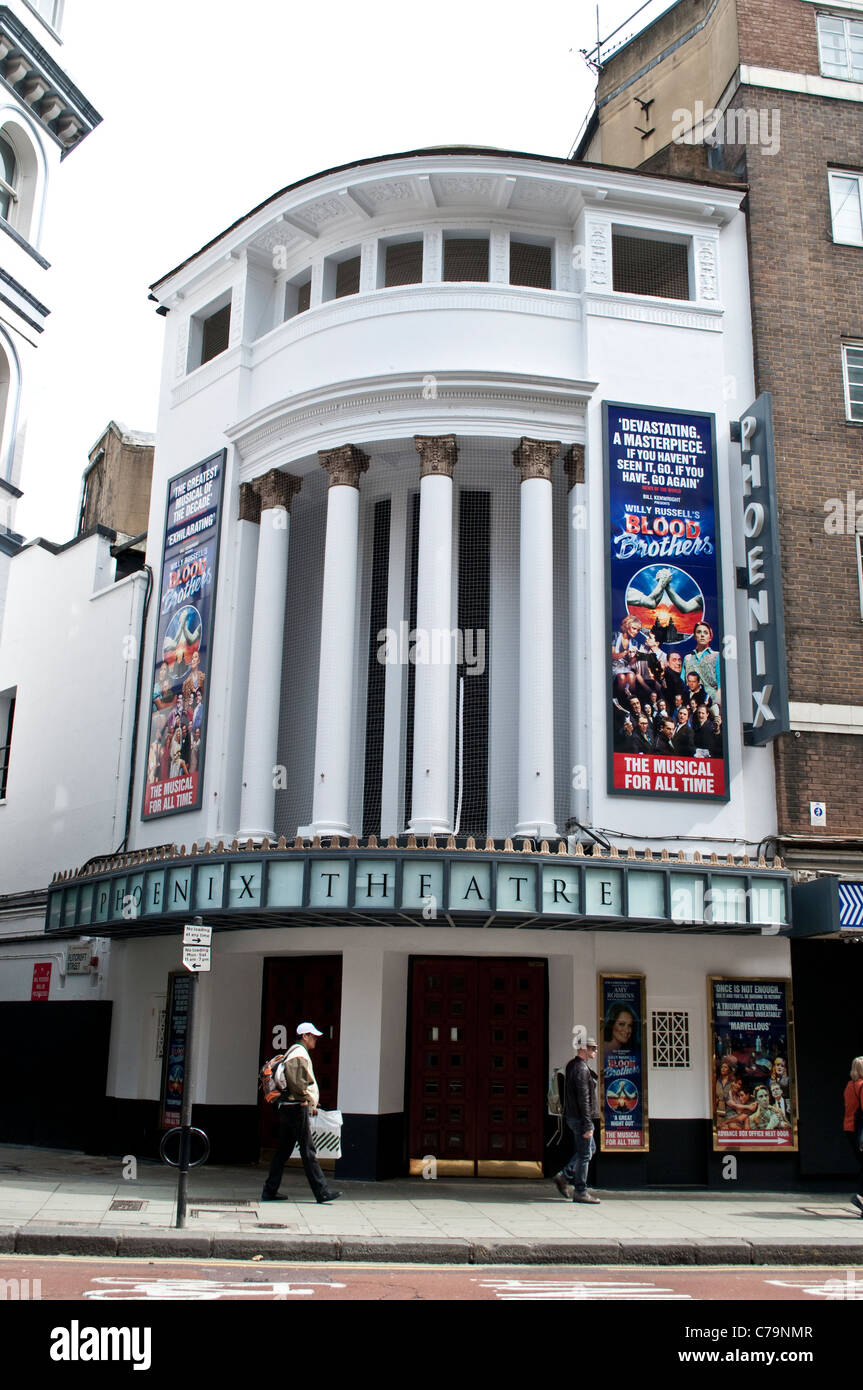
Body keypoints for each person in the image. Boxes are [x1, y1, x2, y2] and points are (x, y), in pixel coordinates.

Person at [261, 1023, 340, 1205]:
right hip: (296, 1107)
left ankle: (269, 1190)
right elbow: (297, 1084)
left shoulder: (293, 1052)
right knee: (308, 1150)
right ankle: (322, 1192)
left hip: (288, 1107)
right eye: (313, 1036)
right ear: (305, 1036)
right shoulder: (299, 1054)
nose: (315, 1040)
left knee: (283, 1151)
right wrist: (306, 1100)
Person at [553, 1036, 600, 1204]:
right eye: (593, 1048)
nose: (596, 1050)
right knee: (585, 1153)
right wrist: (588, 1124)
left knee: (589, 1149)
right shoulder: (581, 1069)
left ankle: (564, 1177)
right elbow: (584, 1098)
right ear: (583, 1049)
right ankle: (580, 1190)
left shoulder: (573, 1065)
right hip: (580, 1118)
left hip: (574, 1117)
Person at [842, 1056, 863, 1217]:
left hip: (850, 1128)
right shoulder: (861, 1086)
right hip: (860, 1130)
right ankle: (861, 1197)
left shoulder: (850, 1086)